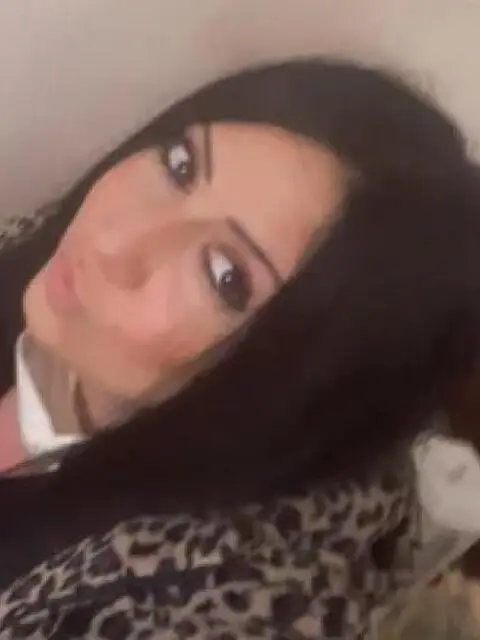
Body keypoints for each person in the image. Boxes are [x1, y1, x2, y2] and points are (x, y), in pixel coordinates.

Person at [0, 58, 478, 638]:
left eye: (225, 275)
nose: (112, 239)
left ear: (293, 379)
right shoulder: (39, 273)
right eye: (180, 165)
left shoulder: (185, 603)